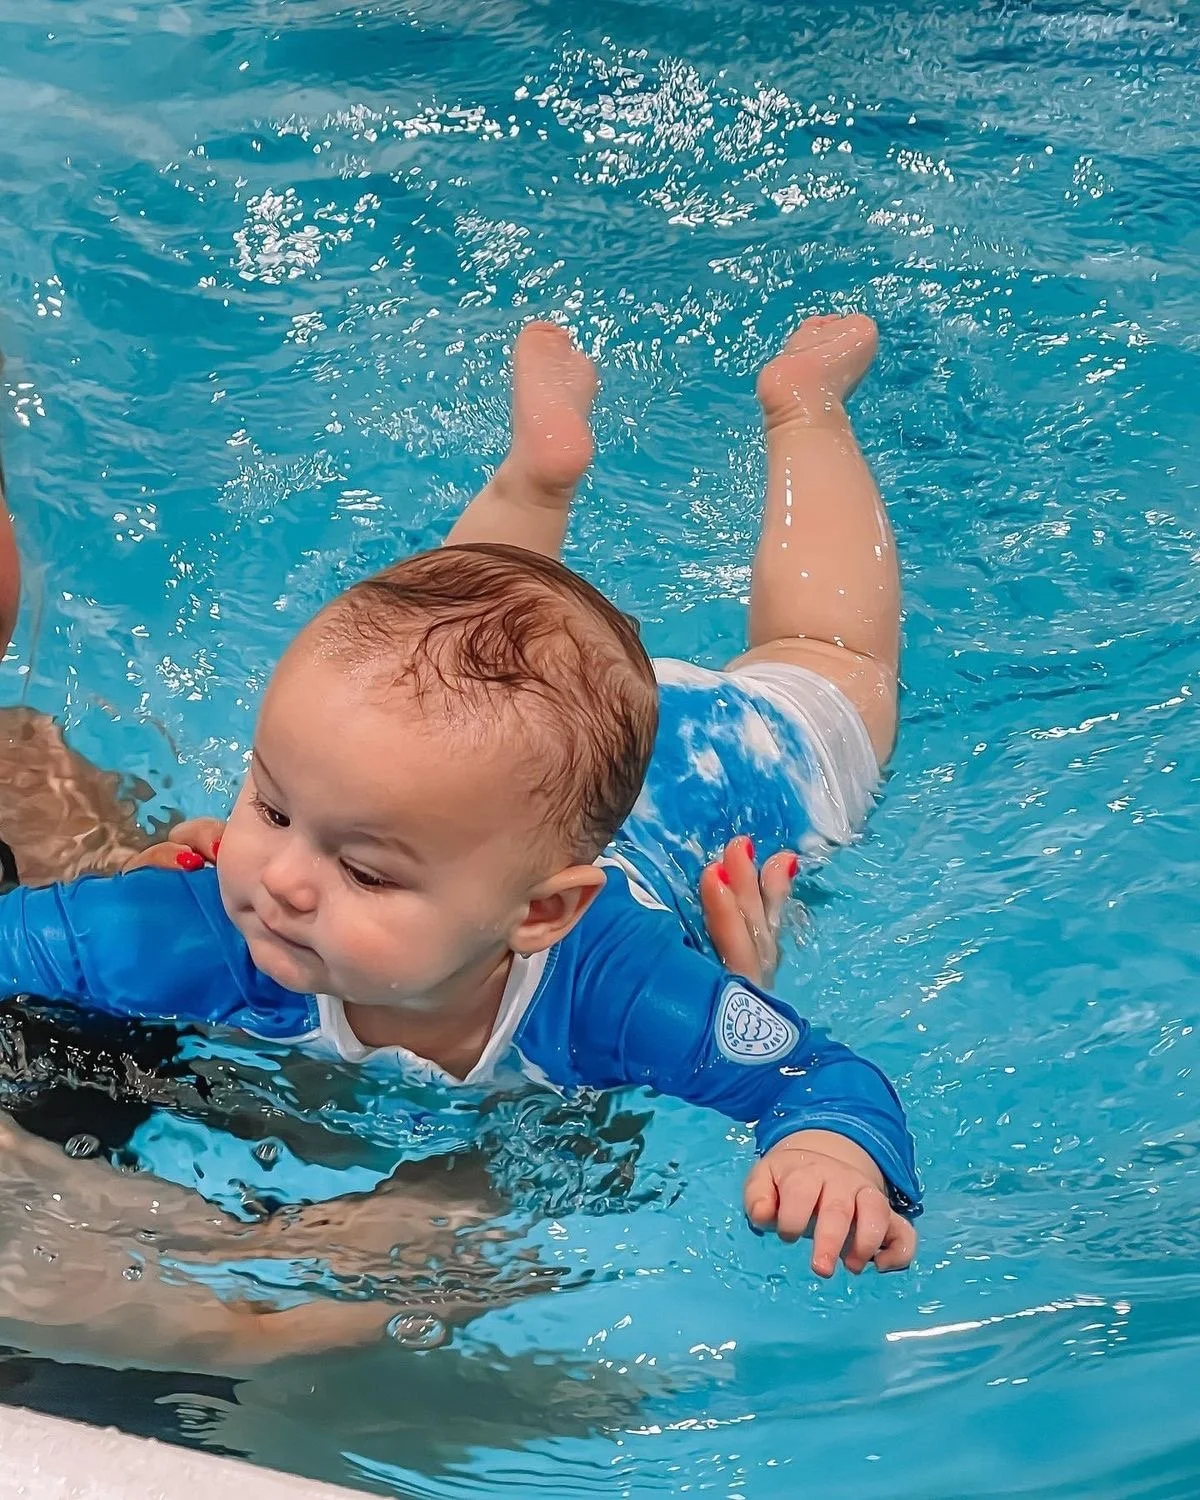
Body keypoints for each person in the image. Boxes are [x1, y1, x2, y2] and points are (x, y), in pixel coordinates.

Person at [1, 313, 919, 1281]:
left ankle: (805, 408)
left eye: (361, 869)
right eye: (269, 809)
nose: (281, 879)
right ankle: (535, 479)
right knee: (429, 668)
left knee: (833, 654)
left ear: (543, 913)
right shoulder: (203, 924)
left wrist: (827, 1151)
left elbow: (818, 1075)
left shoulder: (612, 988)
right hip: (495, 784)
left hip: (716, 773)